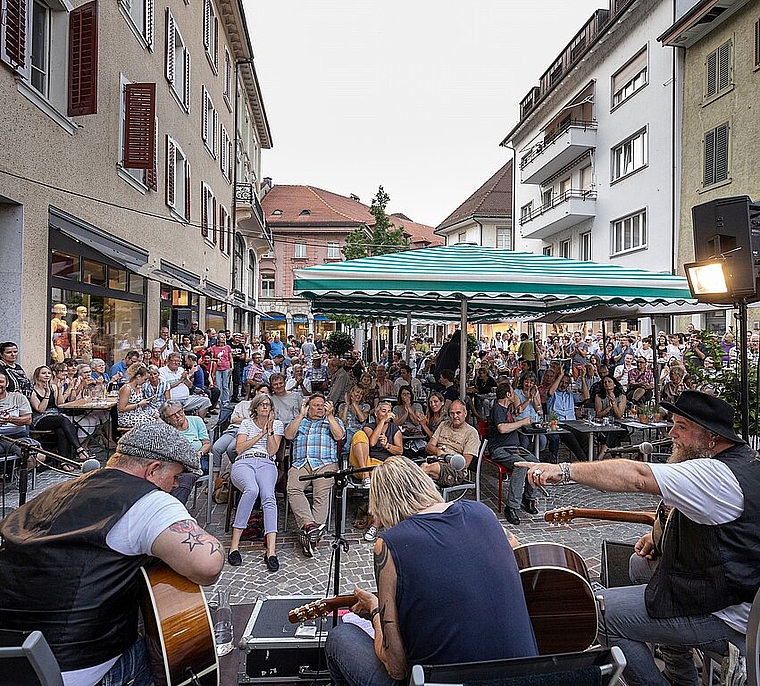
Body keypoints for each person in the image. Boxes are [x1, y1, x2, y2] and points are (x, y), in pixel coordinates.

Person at [519, 390, 759, 686]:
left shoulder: (715, 474)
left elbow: (637, 475)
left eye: (682, 427)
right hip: (730, 590)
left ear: (712, 437)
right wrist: (658, 538)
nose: (672, 433)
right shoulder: (744, 462)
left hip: (726, 616)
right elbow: (723, 531)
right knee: (638, 565)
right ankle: (681, 675)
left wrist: (563, 470)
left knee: (596, 612)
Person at [0, 422, 223, 686]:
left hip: (11, 664)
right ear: (152, 470)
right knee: (185, 649)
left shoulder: (53, 492)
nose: (176, 485)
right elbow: (207, 566)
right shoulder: (148, 501)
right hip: (73, 670)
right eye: (175, 476)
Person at [324, 456, 538, 686]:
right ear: (424, 483)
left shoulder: (388, 544)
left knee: (340, 637)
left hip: (441, 681)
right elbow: (514, 547)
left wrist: (376, 610)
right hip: (525, 677)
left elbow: (396, 666)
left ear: (381, 503)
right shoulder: (482, 512)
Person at [227, 394, 284, 571]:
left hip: (266, 462)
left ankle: (272, 550)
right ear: (256, 408)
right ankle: (234, 546)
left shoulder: (277, 425)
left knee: (268, 495)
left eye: (268, 405)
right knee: (251, 490)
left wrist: (271, 431)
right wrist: (260, 434)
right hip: (245, 461)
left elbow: (273, 451)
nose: (266, 407)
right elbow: (239, 448)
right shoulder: (246, 423)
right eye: (262, 405)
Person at [284, 393, 345, 557]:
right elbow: (288, 435)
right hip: (301, 463)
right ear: (308, 407)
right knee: (293, 488)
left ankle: (310, 539)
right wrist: (301, 415)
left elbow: (339, 436)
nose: (320, 407)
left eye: (322, 405)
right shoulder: (299, 421)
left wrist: (331, 416)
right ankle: (310, 526)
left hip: (325, 463)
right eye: (316, 405)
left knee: (321, 494)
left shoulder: (332, 420)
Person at [487, 382, 536, 525]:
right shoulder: (497, 408)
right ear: (508, 395)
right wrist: (522, 423)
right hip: (500, 449)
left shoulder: (507, 408)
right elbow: (502, 428)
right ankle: (512, 507)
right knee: (521, 466)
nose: (514, 394)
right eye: (512, 392)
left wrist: (527, 401)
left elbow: (515, 413)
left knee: (537, 464)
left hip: (514, 448)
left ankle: (528, 498)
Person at [29, 365, 91, 469]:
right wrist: (47, 394)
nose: (47, 375)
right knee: (63, 419)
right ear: (37, 376)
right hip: (40, 419)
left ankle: (63, 462)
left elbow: (60, 404)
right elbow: (40, 409)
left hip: (56, 416)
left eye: (48, 373)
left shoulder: (53, 386)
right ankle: (79, 448)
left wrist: (59, 389)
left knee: (61, 431)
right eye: (44, 373)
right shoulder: (33, 391)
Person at [422, 399, 481, 487]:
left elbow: (464, 464)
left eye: (458, 413)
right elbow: (428, 447)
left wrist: (445, 457)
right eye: (452, 413)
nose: (455, 416)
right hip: (435, 461)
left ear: (465, 413)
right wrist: (438, 452)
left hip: (456, 470)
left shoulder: (471, 433)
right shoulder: (443, 425)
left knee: (425, 470)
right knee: (422, 470)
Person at [159, 400, 208, 505]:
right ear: (167, 419)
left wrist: (199, 453)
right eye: (173, 415)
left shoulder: (196, 421)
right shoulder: (166, 430)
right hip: (175, 463)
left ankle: (173, 508)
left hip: (196, 460)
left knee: (183, 480)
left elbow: (207, 443)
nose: (178, 416)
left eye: (179, 411)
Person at [159, 352, 211, 417]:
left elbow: (189, 385)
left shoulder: (181, 369)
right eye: (174, 361)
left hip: (186, 399)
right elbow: (164, 387)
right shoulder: (162, 371)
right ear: (168, 361)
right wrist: (180, 380)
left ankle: (199, 422)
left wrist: (186, 378)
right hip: (173, 401)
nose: (176, 363)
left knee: (205, 401)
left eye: (178, 361)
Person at [593, 375, 627, 458]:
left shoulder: (622, 397)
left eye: (609, 381)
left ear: (614, 384)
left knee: (612, 430)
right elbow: (599, 414)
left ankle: (601, 455)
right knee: (611, 433)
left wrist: (614, 403)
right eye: (605, 382)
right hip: (603, 426)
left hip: (619, 426)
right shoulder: (599, 397)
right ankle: (616, 457)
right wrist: (609, 407)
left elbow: (619, 415)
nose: (607, 384)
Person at [117, 363, 159, 428]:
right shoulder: (127, 388)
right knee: (153, 421)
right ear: (138, 377)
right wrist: (139, 404)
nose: (146, 381)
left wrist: (148, 400)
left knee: (157, 413)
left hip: (138, 413)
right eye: (145, 379)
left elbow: (138, 401)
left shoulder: (139, 387)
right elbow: (121, 408)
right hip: (128, 417)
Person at [210, 332, 233, 406]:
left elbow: (230, 357)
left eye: (224, 337)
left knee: (225, 385)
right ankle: (218, 400)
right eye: (222, 337)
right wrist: (216, 360)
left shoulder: (227, 347)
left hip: (226, 366)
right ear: (218, 339)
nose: (223, 338)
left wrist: (232, 366)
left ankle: (226, 400)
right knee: (218, 385)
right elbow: (211, 357)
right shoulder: (214, 347)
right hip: (217, 368)